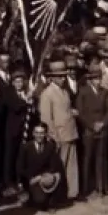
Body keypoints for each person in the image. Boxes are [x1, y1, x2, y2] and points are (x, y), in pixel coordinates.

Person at [38, 60, 79, 200]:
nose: (63, 78)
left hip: (70, 132)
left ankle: (71, 193)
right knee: (58, 167)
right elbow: (46, 119)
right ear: (53, 77)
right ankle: (58, 195)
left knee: (71, 166)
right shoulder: (47, 94)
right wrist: (53, 136)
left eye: (64, 76)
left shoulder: (65, 91)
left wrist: (72, 112)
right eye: (60, 76)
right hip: (59, 135)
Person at [75, 66, 108, 198]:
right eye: (95, 79)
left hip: (102, 129)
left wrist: (103, 123)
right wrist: (91, 125)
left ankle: (102, 187)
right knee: (87, 159)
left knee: (101, 159)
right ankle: (84, 190)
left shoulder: (104, 92)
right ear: (90, 80)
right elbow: (80, 112)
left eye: (99, 78)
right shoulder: (83, 92)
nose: (98, 81)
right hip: (88, 130)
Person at [17, 123, 65, 212]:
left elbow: (54, 165)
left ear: (46, 134)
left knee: (57, 177)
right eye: (37, 133)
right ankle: (31, 198)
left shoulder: (50, 146)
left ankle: (49, 203)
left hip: (44, 177)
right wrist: (30, 178)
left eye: (42, 133)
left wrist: (43, 176)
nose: (39, 135)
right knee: (39, 199)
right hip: (31, 179)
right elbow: (20, 168)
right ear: (33, 133)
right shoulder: (26, 147)